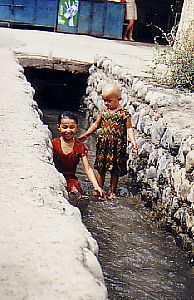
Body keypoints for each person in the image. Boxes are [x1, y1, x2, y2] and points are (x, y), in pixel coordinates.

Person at [79, 84, 138, 200]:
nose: (106, 103)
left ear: (119, 99)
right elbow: (96, 124)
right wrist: (86, 134)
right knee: (100, 168)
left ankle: (112, 191)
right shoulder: (104, 112)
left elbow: (129, 128)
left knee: (114, 170)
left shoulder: (124, 114)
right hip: (103, 145)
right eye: (104, 101)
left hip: (117, 146)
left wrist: (133, 141)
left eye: (109, 101)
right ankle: (98, 188)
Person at [52, 111, 106, 205]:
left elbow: (88, 169)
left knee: (74, 186)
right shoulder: (54, 143)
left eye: (72, 127)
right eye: (64, 127)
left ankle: (77, 196)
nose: (68, 131)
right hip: (55, 175)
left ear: (77, 127)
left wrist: (96, 186)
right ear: (59, 127)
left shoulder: (79, 146)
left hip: (70, 178)